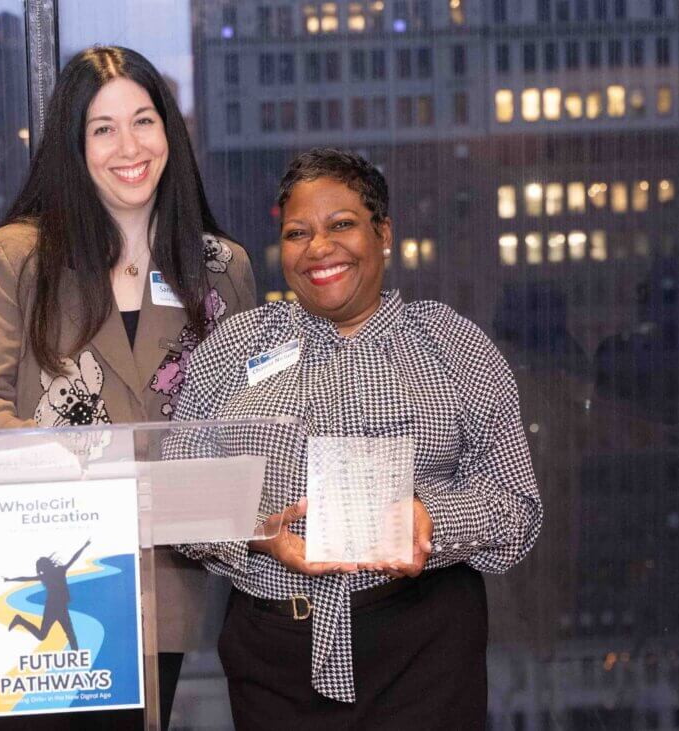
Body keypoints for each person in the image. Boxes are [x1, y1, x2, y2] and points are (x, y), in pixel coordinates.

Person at [0, 46, 256, 730]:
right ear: (74, 147)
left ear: (171, 130)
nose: (129, 146)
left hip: (161, 590)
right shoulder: (17, 256)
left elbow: (243, 419)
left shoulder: (220, 268)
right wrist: (74, 459)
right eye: (103, 128)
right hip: (26, 587)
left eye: (144, 120)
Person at [173, 148, 543, 730]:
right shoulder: (232, 349)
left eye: (341, 224)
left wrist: (431, 519)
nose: (319, 248)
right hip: (272, 657)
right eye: (298, 232)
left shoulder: (453, 345)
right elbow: (180, 498)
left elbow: (515, 507)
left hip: (424, 651)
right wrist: (255, 529)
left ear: (383, 232)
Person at [4, 539, 92, 650]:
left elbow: (74, 557)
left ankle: (20, 620)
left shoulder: (58, 571)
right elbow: (25, 578)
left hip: (61, 608)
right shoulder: (52, 573)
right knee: (49, 635)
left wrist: (84, 546)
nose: (41, 571)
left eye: (41, 568)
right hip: (51, 608)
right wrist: (10, 579)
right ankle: (19, 620)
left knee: (69, 635)